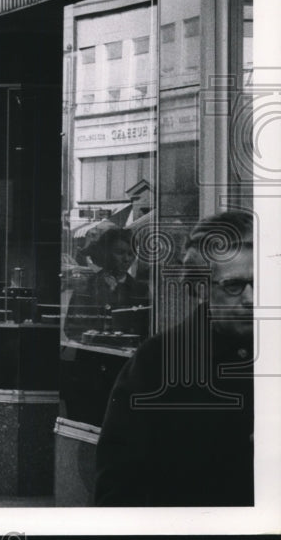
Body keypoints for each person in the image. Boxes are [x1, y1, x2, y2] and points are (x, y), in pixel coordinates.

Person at [94, 210, 254, 506]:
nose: (251, 298)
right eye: (234, 286)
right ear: (202, 288)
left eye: (262, 282)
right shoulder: (157, 364)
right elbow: (119, 486)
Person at [65, 227, 149, 340]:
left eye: (131, 254)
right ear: (106, 253)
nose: (126, 259)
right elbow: (71, 328)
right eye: (120, 252)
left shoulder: (141, 289)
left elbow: (145, 329)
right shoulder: (87, 286)